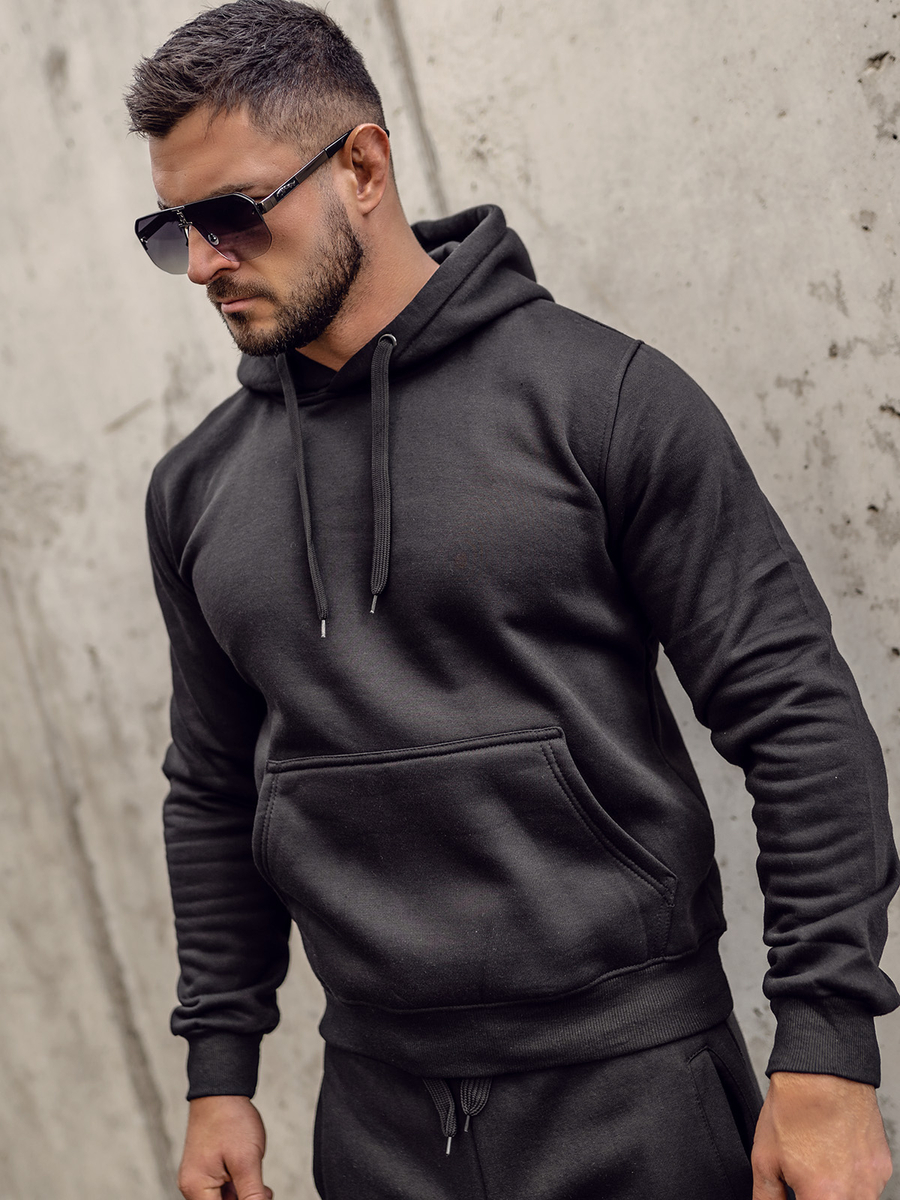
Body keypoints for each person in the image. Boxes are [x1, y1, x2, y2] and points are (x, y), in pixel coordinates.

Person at [125, 2, 898, 1197]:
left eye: (232, 215)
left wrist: (828, 1050)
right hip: (373, 1118)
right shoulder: (197, 489)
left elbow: (795, 716)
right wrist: (219, 1072)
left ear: (363, 167)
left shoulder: (603, 401)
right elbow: (215, 787)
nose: (206, 263)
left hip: (637, 1092)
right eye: (172, 231)